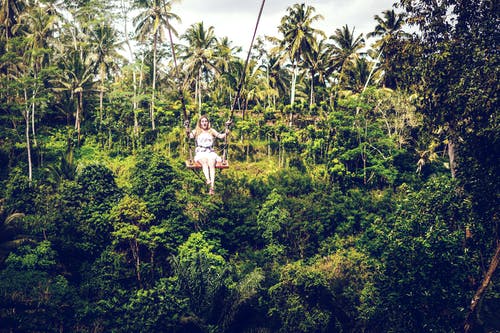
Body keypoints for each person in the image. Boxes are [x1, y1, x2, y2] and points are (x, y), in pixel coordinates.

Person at [185, 115, 230, 195]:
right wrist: (187, 128)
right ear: (200, 123)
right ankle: (208, 179)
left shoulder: (211, 130)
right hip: (201, 152)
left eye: (206, 121)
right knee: (204, 162)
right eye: (202, 121)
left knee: (212, 164)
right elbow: (189, 136)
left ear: (208, 122)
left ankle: (212, 187)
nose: (204, 123)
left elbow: (220, 136)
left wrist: (227, 130)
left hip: (210, 152)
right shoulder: (196, 131)